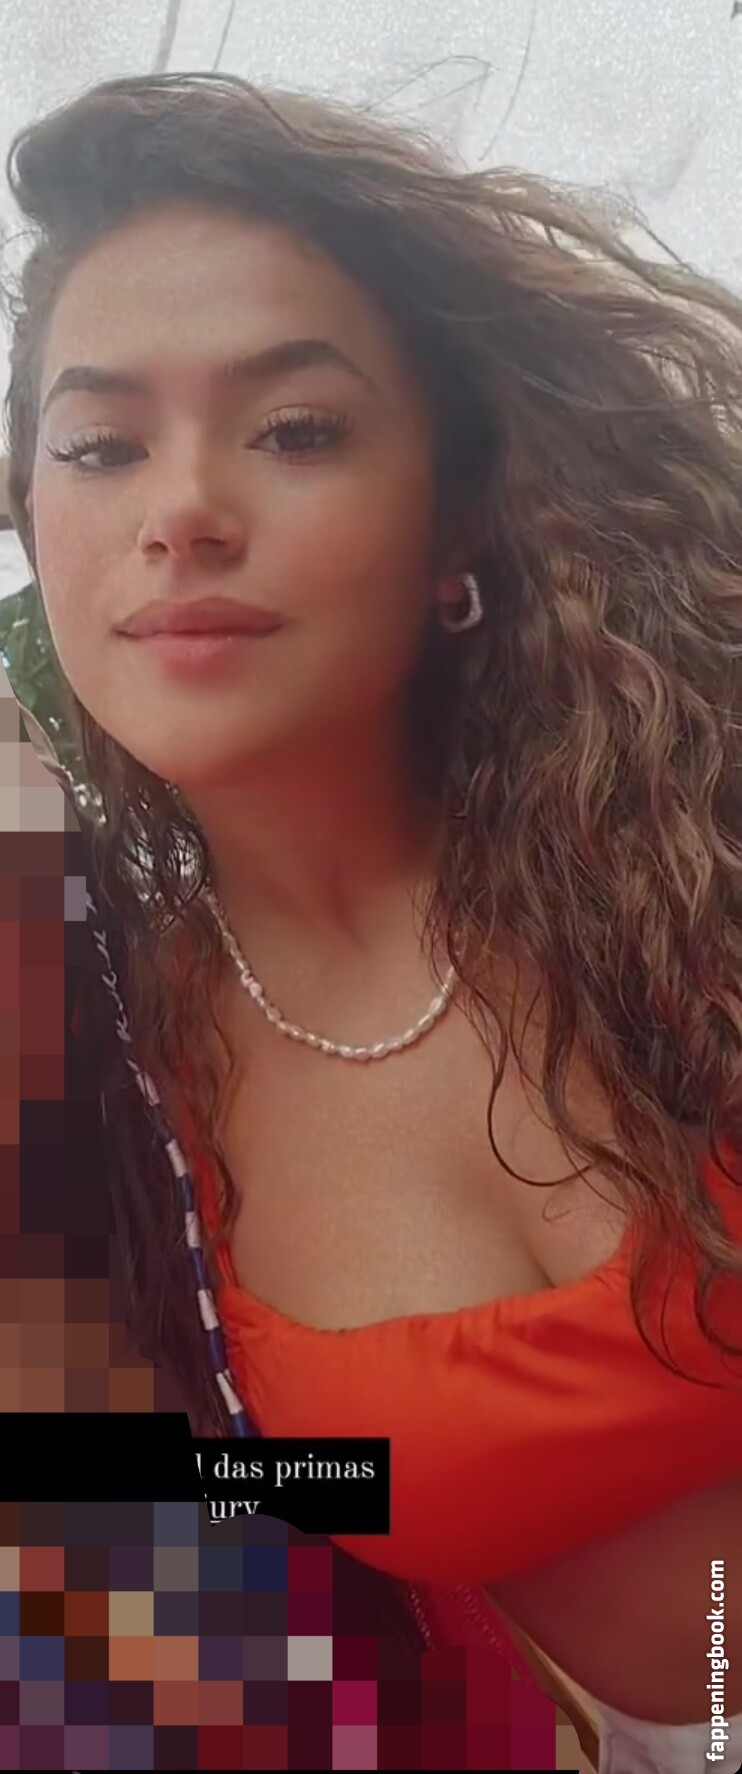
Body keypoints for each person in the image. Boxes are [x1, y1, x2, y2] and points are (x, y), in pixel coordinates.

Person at [2, 70, 741, 1774]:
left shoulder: (696, 839)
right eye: (100, 446)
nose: (180, 510)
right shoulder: (120, 1091)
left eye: (296, 429)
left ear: (457, 510)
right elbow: (206, 1506)